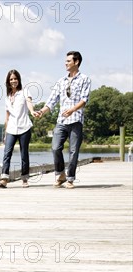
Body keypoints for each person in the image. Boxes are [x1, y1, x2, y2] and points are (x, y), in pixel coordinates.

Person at [35, 51, 91, 189]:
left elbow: (84, 100)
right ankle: (60, 174)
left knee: (73, 151)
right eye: (65, 61)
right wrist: (42, 111)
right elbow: (52, 101)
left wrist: (72, 109)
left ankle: (70, 179)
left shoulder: (85, 79)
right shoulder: (61, 81)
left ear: (76, 62)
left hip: (76, 120)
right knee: (55, 148)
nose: (65, 63)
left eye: (68, 61)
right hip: (61, 121)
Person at [0, 70, 35, 188]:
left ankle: (25, 179)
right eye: (11, 79)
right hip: (11, 129)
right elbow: (7, 117)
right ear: (8, 82)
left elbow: (29, 103)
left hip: (24, 127)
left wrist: (33, 111)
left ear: (18, 80)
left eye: (15, 78)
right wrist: (5, 133)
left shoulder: (24, 92)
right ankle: (4, 179)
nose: (13, 81)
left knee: (24, 154)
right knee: (7, 153)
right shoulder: (7, 98)